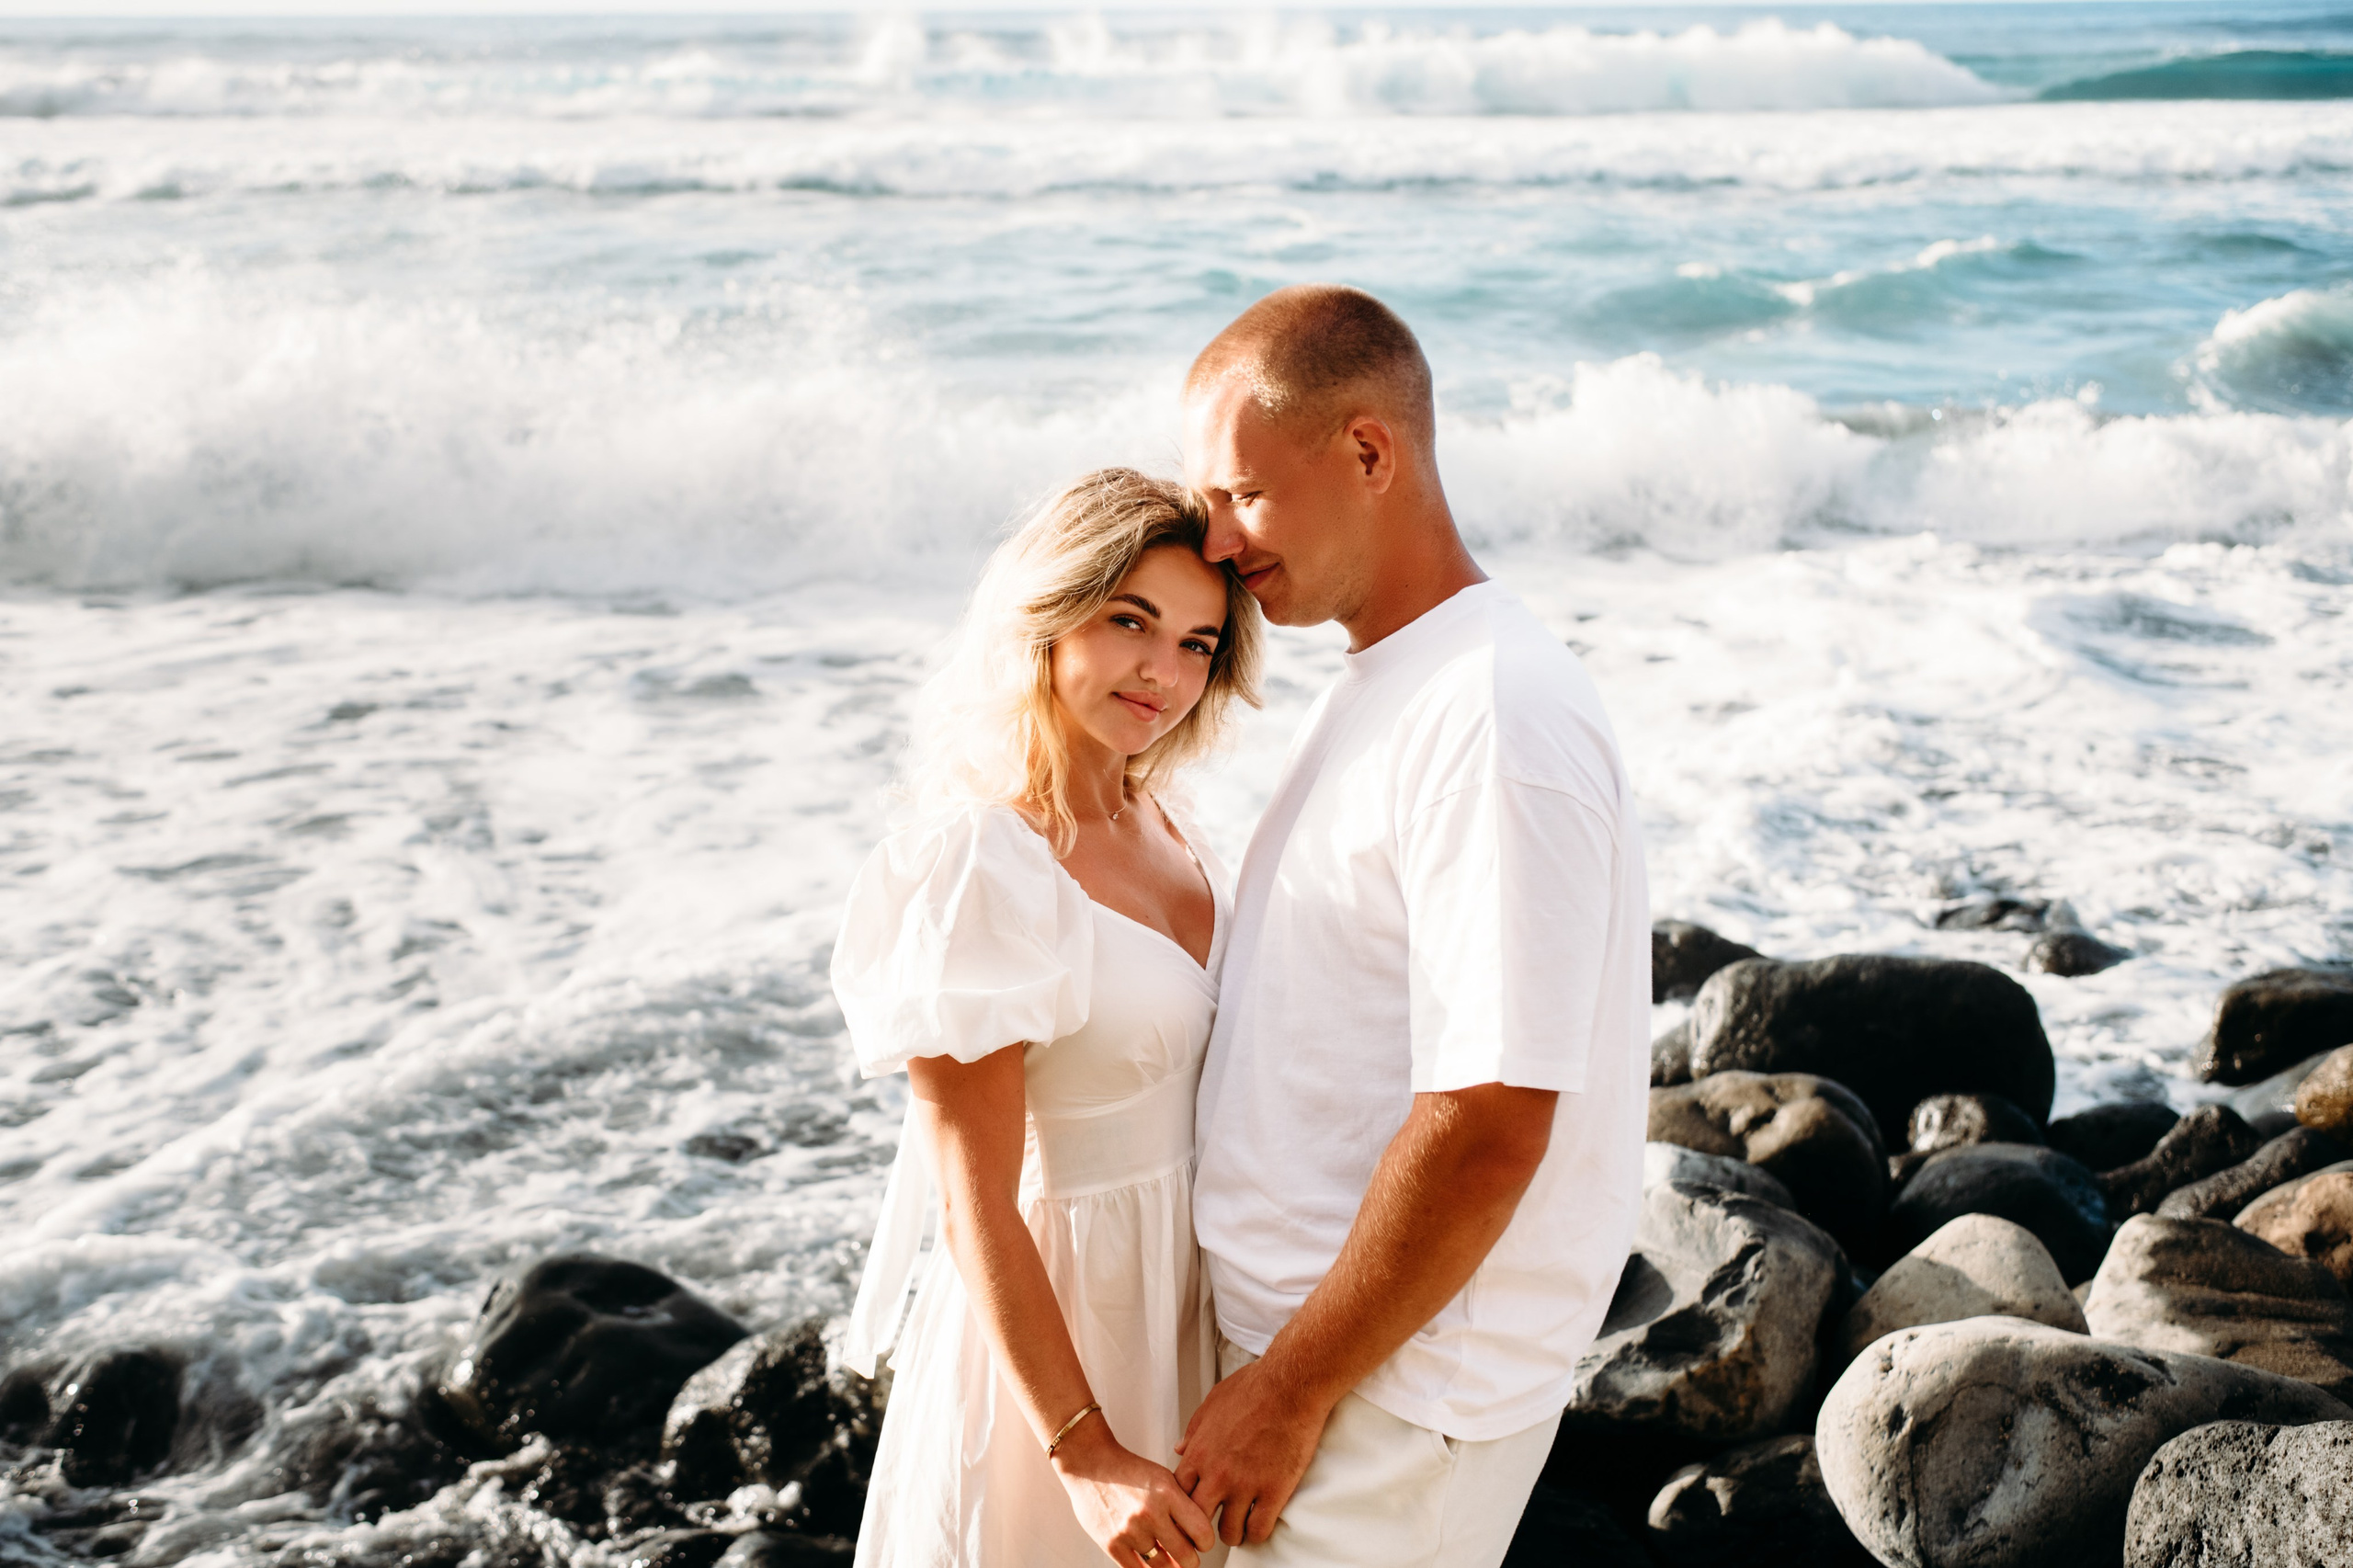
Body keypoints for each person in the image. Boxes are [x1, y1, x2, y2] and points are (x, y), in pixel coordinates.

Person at [1174, 285, 1651, 1567]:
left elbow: (1489, 1120)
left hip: (1388, 1400)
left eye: (1243, 496)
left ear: (1370, 452)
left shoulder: (1493, 714)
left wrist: (1288, 1387)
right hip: (1328, 1372)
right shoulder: (1400, 681)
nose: (1216, 542)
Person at [832, 468, 1264, 1568]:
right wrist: (1084, 1450)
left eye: (1198, 644)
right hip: (1066, 1343)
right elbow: (970, 1196)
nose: (1162, 672)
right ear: (1053, 610)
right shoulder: (984, 861)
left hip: (1195, 1311)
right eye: (1132, 621)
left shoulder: (1175, 826)